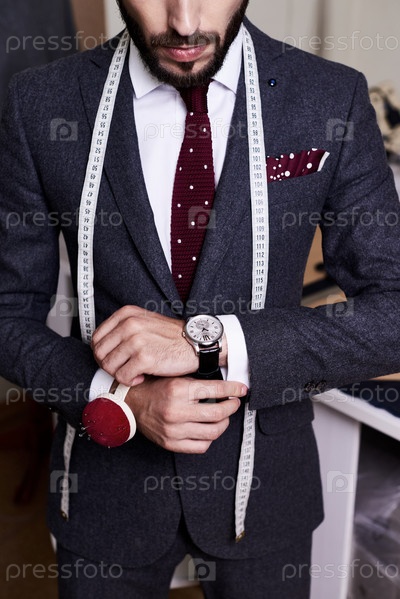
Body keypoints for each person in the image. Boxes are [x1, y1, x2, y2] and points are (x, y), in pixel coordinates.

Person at [0, 1, 400, 597]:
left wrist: (204, 342)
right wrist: (116, 396)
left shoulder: (329, 97)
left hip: (267, 487)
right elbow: (7, 311)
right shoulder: (41, 103)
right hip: (105, 488)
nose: (185, 23)